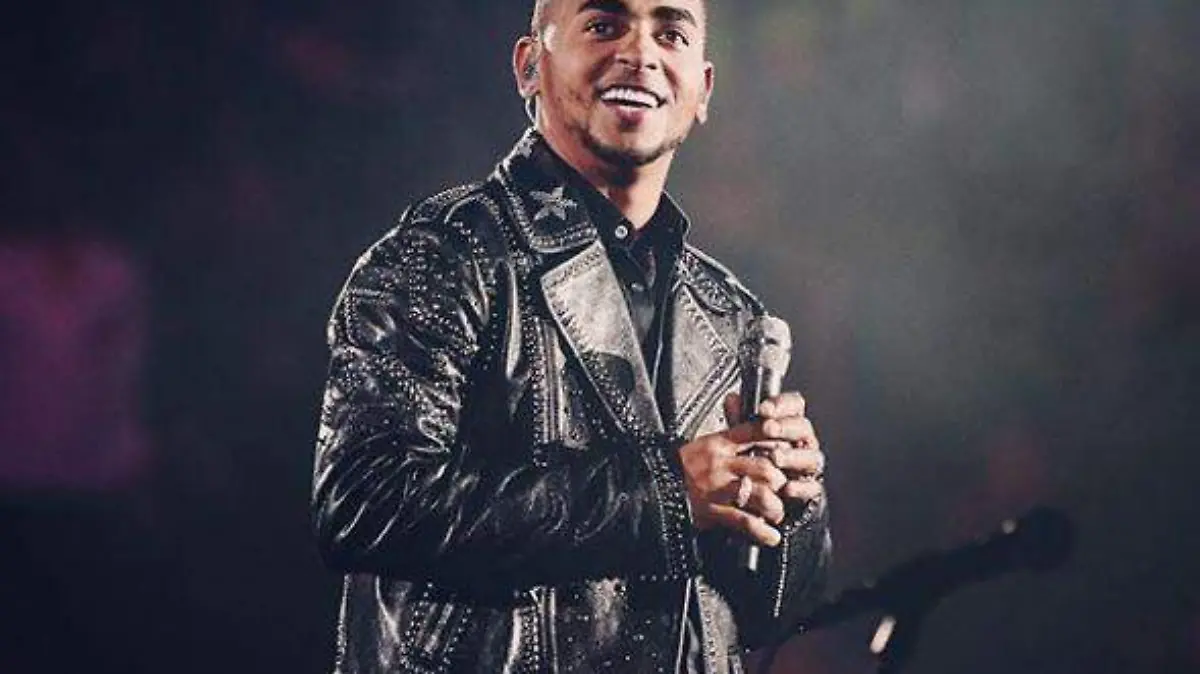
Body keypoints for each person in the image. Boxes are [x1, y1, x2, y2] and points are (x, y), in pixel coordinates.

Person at [311, 0, 831, 671]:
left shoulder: (731, 314)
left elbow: (771, 616)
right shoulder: (443, 256)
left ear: (703, 89)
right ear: (530, 66)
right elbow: (365, 501)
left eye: (670, 32)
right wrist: (666, 497)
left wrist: (791, 505)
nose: (640, 53)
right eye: (604, 25)